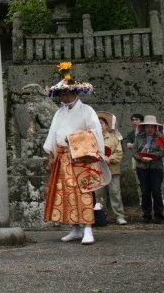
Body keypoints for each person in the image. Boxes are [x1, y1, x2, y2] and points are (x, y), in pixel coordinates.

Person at [42, 62, 108, 245]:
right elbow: (53, 134)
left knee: (84, 193)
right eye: (61, 93)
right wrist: (51, 155)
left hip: (82, 158)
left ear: (75, 93)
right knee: (66, 193)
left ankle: (88, 228)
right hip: (63, 157)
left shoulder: (87, 111)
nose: (63, 96)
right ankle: (75, 228)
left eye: (66, 92)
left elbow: (95, 133)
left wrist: (94, 152)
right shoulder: (58, 113)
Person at [132, 115, 164, 223]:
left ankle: (159, 215)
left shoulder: (160, 137)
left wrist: (151, 157)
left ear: (155, 127)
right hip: (142, 168)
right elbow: (134, 152)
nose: (149, 129)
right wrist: (142, 158)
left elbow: (161, 152)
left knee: (156, 191)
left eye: (152, 127)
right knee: (145, 191)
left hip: (156, 167)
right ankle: (146, 215)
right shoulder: (139, 137)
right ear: (144, 127)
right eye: (147, 127)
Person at [95, 111, 126, 225]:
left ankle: (119, 216)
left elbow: (119, 152)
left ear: (107, 125)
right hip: (98, 170)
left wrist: (109, 159)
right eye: (97, 123)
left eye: (102, 123)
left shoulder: (114, 137)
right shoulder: (92, 137)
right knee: (99, 194)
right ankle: (101, 217)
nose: (100, 125)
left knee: (115, 192)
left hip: (112, 169)